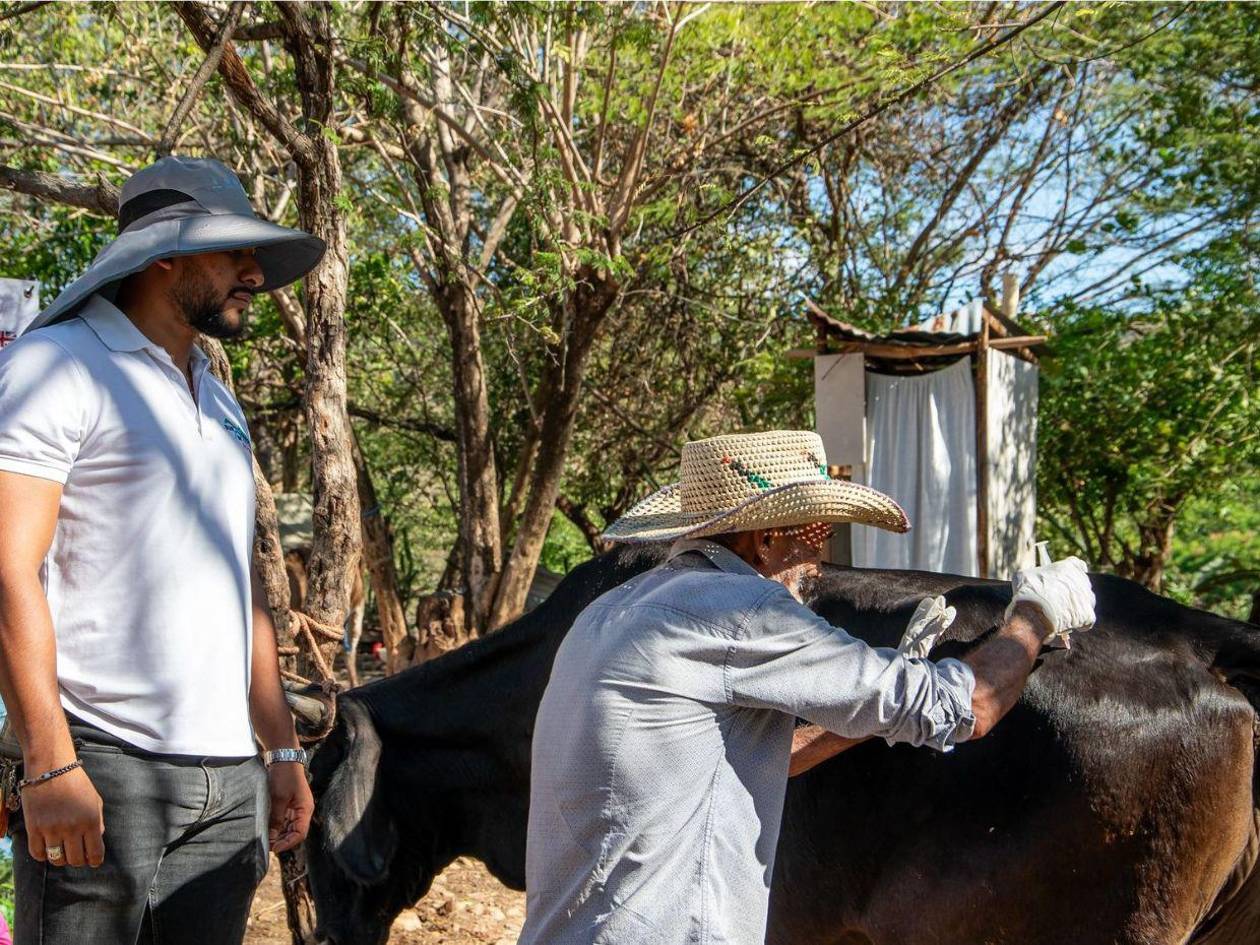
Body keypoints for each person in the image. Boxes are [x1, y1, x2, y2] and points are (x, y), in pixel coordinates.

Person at [518, 430, 1095, 945]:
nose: (819, 557)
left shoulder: (609, 612)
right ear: (765, 539)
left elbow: (734, 762)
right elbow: (967, 705)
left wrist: (867, 708)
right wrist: (1035, 615)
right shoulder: (741, 609)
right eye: (815, 531)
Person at [0, 156, 326, 944]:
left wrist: (281, 747)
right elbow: (7, 566)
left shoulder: (217, 396)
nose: (255, 274)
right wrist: (49, 759)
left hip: (229, 780)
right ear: (164, 257)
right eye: (234, 251)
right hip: (103, 766)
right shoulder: (56, 366)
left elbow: (238, 583)